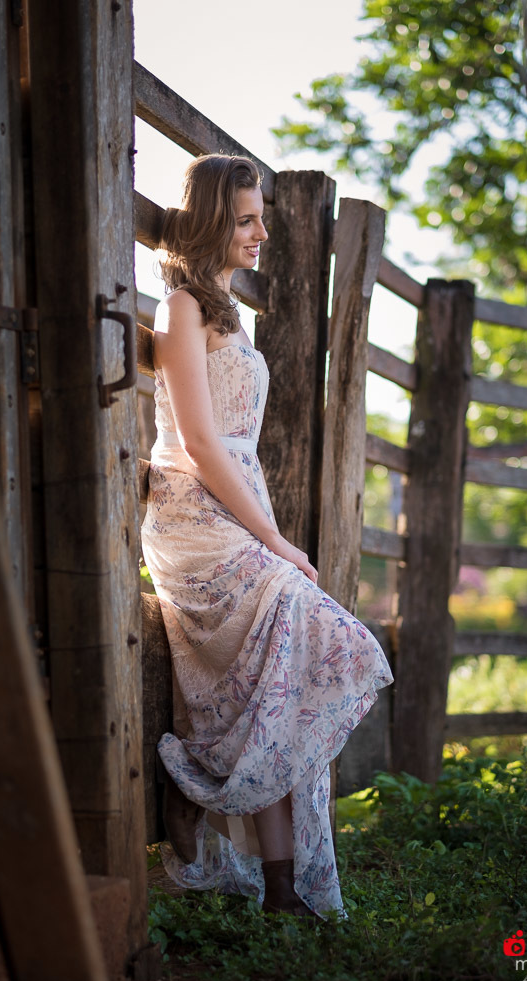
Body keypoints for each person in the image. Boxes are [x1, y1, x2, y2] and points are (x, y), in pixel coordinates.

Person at [140, 153, 393, 919]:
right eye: (246, 219)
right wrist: (275, 547)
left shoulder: (227, 312)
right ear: (213, 218)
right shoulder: (180, 308)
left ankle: (284, 892)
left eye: (261, 220)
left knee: (276, 692)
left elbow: (242, 452)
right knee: (333, 639)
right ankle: (198, 787)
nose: (260, 234)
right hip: (191, 520)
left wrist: (276, 538)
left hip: (236, 511)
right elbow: (201, 444)